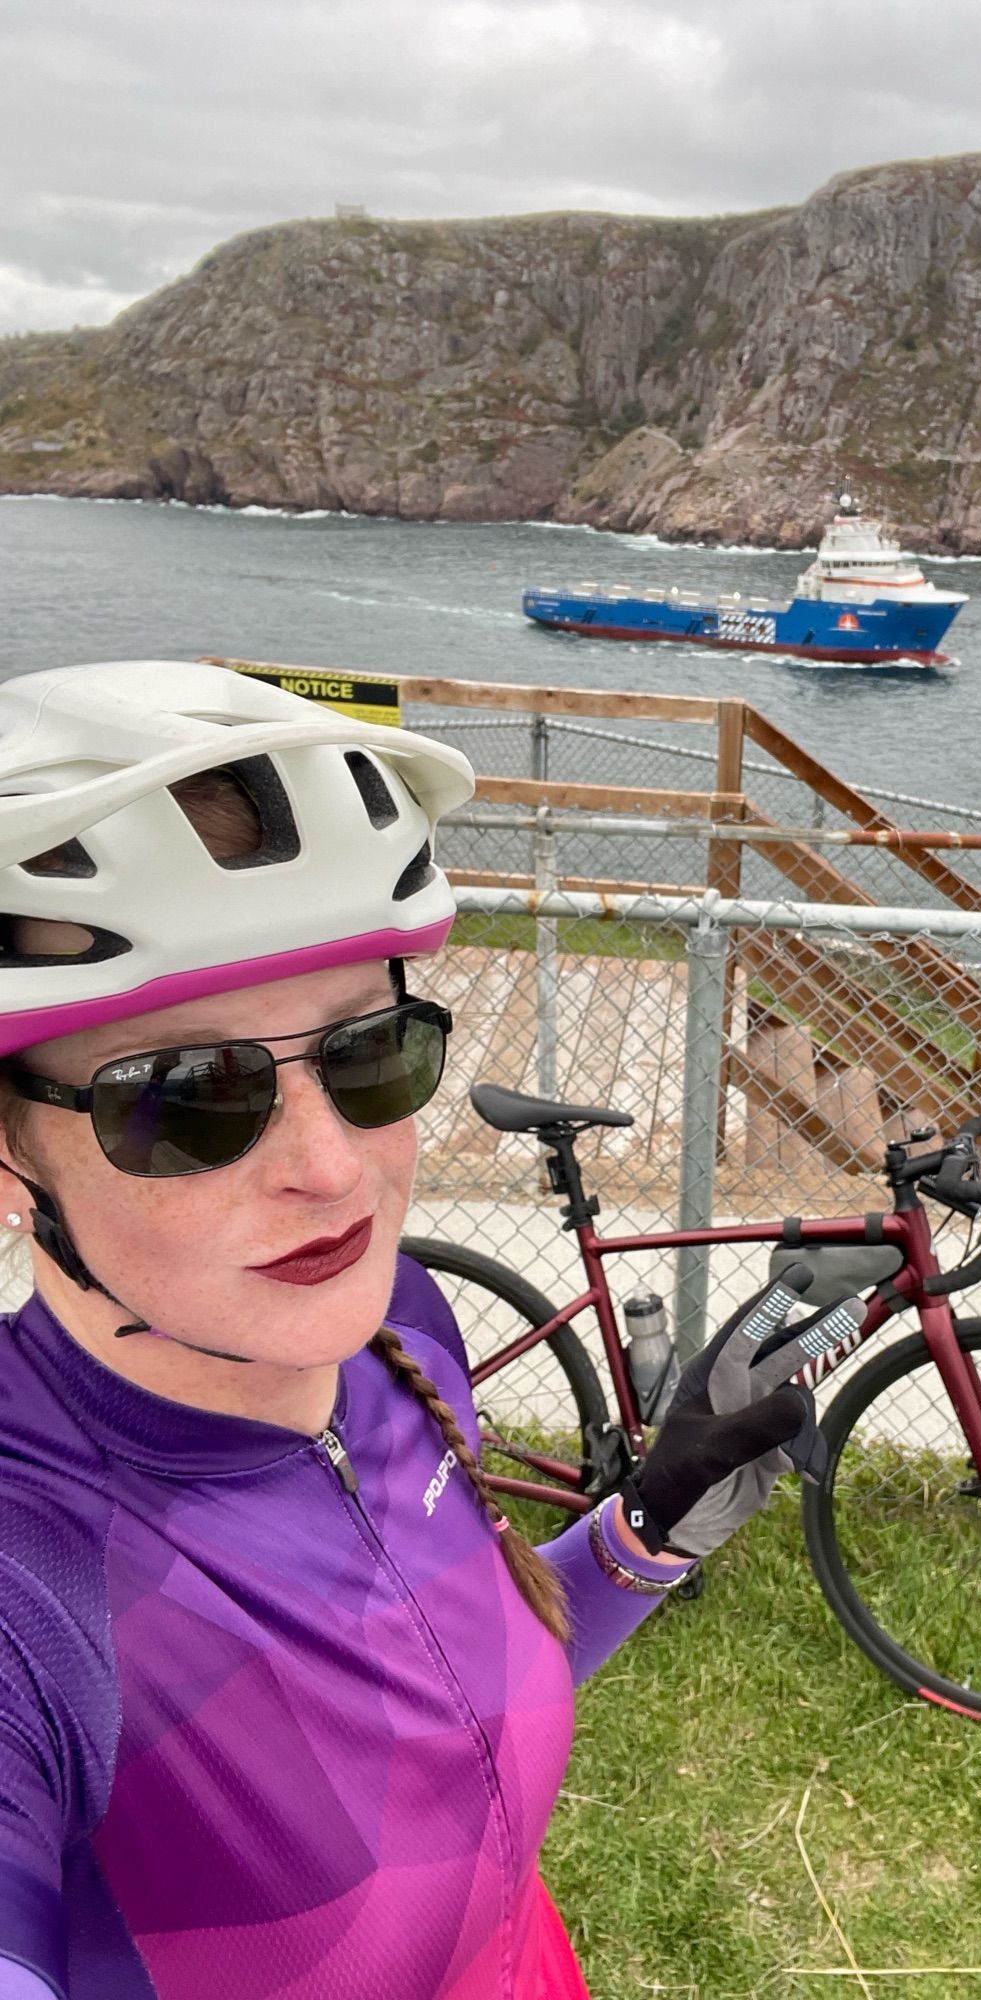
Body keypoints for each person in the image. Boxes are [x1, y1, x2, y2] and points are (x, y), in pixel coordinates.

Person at [0, 661, 846, 2000]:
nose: (333, 1172)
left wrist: (638, 1540)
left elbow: (442, 1696)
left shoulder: (403, 1325)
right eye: (184, 1098)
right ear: (11, 1160)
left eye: (368, 1052)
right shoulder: (31, 1587)